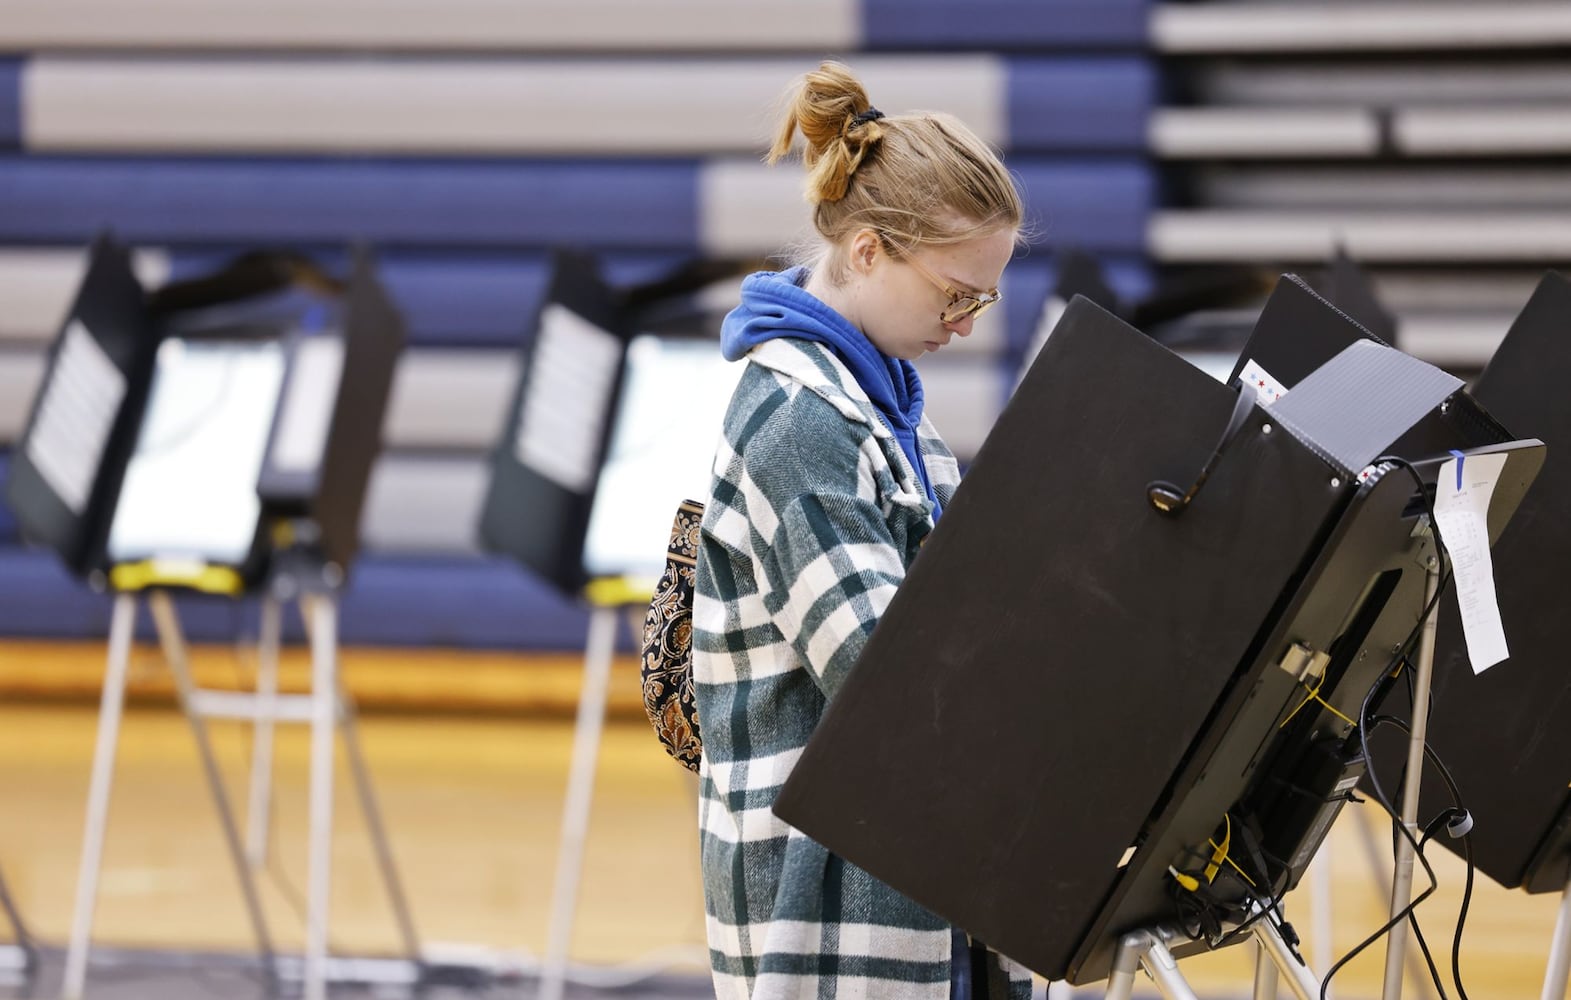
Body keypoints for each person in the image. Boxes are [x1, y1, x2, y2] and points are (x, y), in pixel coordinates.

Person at [692, 61, 1031, 999]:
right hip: (830, 895)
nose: (966, 323)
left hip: (916, 870)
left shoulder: (883, 401)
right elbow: (888, 679)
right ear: (872, 250)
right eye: (956, 293)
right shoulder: (801, 424)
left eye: (982, 299)